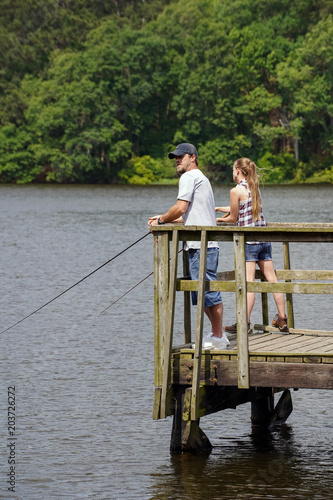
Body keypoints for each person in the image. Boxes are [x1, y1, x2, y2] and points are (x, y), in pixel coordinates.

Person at [148, 143, 229, 349]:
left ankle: (218, 337)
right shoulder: (202, 178)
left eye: (180, 156)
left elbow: (180, 207)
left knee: (208, 291)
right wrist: (165, 219)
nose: (176, 160)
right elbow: (190, 215)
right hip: (204, 244)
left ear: (192, 157)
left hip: (201, 245)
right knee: (202, 292)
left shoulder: (189, 177)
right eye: (175, 157)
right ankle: (216, 335)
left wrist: (160, 221)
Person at [216, 157, 289, 333]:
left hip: (249, 243)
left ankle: (245, 324)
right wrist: (219, 208)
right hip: (263, 241)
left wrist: (218, 220)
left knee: (248, 284)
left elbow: (234, 217)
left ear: (239, 171)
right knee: (273, 280)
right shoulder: (254, 187)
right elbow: (240, 207)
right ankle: (282, 319)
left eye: (233, 169)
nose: (232, 172)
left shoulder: (235, 190)